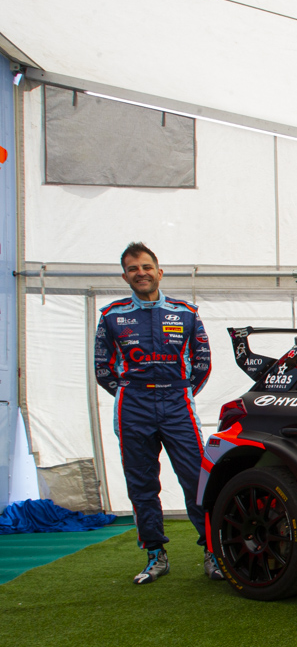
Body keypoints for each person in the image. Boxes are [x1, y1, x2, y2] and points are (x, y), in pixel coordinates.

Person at [94, 242, 217, 584]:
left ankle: (213, 551)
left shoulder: (186, 312)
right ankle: (155, 554)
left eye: (146, 267)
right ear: (125, 276)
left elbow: (203, 363)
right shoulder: (111, 315)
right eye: (133, 269)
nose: (141, 273)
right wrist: (130, 393)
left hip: (177, 404)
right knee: (142, 484)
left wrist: (180, 391)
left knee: (196, 479)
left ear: (159, 272)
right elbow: (103, 368)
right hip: (133, 406)